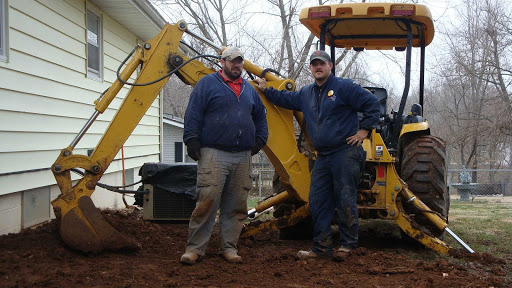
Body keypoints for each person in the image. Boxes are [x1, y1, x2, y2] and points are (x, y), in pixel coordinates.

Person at [254, 50, 380, 261]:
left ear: (330, 66)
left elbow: (372, 104)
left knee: (344, 198)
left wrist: (364, 130)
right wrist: (267, 90)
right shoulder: (306, 93)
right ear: (311, 68)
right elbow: (285, 98)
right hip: (323, 156)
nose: (318, 67)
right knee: (318, 200)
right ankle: (321, 247)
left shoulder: (344, 87)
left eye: (321, 63)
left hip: (345, 152)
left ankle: (347, 245)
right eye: (314, 64)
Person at [180, 46, 268, 265]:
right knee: (207, 200)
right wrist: (191, 139)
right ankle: (195, 249)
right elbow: (193, 114)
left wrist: (260, 140)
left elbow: (260, 118)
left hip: (243, 156)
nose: (236, 65)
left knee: (236, 204)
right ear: (222, 62)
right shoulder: (207, 84)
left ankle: (228, 247)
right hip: (213, 153)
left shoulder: (249, 90)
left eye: (239, 61)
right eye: (232, 61)